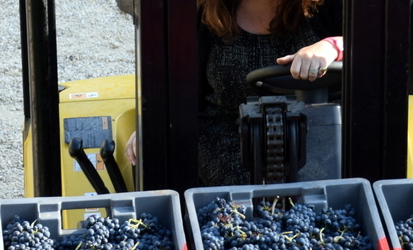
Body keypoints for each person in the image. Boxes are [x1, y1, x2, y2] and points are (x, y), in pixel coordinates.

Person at [125, 0, 343, 186]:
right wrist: (155, 122)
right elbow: (176, 86)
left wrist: (333, 46)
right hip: (225, 151)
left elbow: (371, 45)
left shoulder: (327, 7)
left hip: (320, 146)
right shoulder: (198, 13)